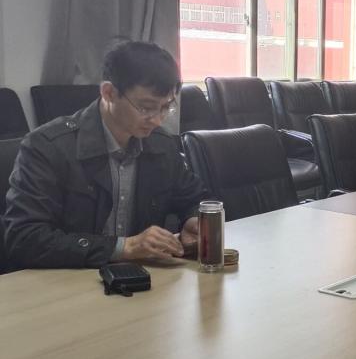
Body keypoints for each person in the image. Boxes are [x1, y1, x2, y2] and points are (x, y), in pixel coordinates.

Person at [3, 41, 207, 269]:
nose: (158, 120)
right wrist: (122, 248)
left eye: (166, 107)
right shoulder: (47, 147)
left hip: (140, 278)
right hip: (65, 279)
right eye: (146, 108)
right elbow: (24, 238)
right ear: (109, 93)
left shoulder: (162, 145)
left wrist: (193, 220)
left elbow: (194, 198)